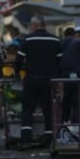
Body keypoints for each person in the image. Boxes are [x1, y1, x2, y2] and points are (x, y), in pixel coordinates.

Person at [16, 15, 61, 148]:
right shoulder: (55, 40)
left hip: (31, 79)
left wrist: (18, 73)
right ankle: (49, 138)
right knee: (48, 109)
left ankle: (26, 140)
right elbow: (60, 61)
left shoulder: (28, 39)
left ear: (35, 25)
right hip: (49, 80)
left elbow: (19, 60)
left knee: (27, 109)